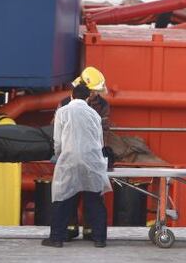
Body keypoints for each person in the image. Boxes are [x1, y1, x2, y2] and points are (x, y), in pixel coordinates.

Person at [42, 83, 112, 248]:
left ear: (72, 95)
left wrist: (59, 156)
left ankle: (56, 238)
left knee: (63, 198)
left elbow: (58, 140)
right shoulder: (94, 114)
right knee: (94, 199)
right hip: (92, 160)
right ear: (88, 98)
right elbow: (100, 141)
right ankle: (100, 239)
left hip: (70, 159)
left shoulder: (63, 112)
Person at [57, 66, 112, 241]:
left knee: (87, 195)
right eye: (94, 91)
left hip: (77, 155)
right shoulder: (66, 104)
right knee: (75, 194)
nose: (96, 94)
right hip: (78, 154)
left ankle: (89, 231)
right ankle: (72, 229)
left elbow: (104, 131)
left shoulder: (101, 105)